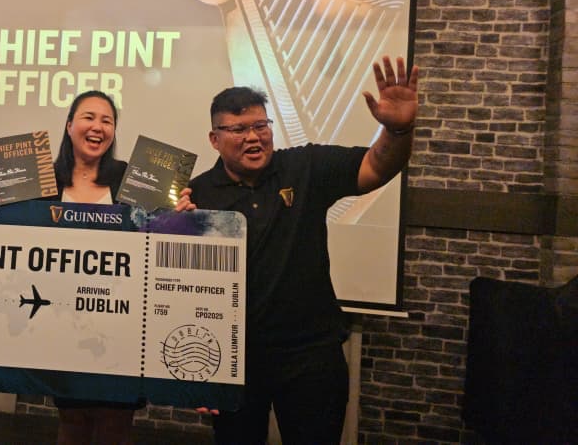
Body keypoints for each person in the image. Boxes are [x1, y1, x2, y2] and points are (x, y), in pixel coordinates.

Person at [176, 56, 419, 444]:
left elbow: (377, 167)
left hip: (311, 355)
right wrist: (196, 367)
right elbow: (182, 289)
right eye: (238, 129)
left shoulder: (305, 167)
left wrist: (398, 128)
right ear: (214, 139)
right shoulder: (196, 194)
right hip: (235, 358)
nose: (253, 137)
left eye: (261, 126)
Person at [0, 90, 140, 445]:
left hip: (121, 320)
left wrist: (181, 215)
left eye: (107, 120)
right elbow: (13, 239)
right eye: (88, 117)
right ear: (69, 126)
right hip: (65, 322)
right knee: (72, 420)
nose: (98, 126)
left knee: (117, 423)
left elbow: (157, 232)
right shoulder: (42, 178)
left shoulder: (131, 177)